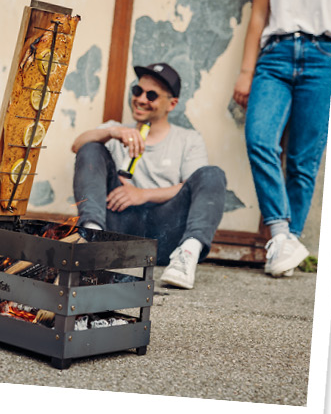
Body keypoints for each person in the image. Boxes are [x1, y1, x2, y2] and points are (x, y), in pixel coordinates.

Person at [71, 62, 227, 290]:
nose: (141, 99)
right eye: (138, 91)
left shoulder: (188, 139)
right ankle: (92, 242)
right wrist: (111, 132)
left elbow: (196, 186)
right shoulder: (117, 130)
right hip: (117, 229)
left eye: (151, 95)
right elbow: (77, 146)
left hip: (164, 235)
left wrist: (142, 194)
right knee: (91, 148)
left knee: (213, 174)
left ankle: (187, 255)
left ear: (171, 104)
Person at [233, 0, 331, 277]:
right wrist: (246, 71)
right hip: (275, 56)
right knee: (260, 139)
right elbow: (258, 15)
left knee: (303, 159)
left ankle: (286, 248)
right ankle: (281, 236)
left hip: (327, 57)